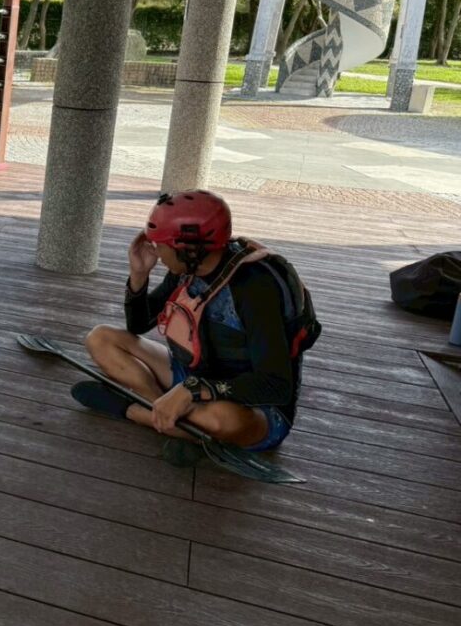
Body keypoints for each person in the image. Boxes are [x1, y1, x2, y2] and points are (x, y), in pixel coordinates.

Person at [81, 190, 317, 466]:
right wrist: (139, 275)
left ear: (188, 248)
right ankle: (162, 410)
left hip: (251, 407)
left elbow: (275, 386)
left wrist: (193, 390)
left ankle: (135, 411)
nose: (156, 250)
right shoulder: (188, 268)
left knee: (220, 420)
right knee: (100, 339)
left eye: (161, 244)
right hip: (193, 377)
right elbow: (138, 325)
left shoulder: (254, 289)